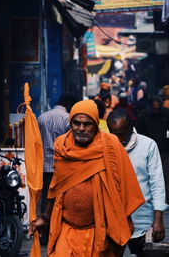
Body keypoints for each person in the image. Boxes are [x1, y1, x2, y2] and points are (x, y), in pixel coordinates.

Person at [31, 99, 145, 257]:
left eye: (87, 124)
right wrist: (45, 217)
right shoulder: (62, 146)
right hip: (67, 229)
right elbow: (56, 186)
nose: (81, 128)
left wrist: (120, 223)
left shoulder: (110, 145)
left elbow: (124, 188)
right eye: (76, 123)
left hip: (99, 230)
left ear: (96, 124)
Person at [107, 109, 167, 257]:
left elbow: (157, 183)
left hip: (143, 221)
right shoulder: (105, 146)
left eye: (121, 134)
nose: (118, 139)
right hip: (112, 222)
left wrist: (158, 219)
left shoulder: (148, 145)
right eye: (113, 134)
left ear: (131, 126)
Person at [37, 92, 79, 245]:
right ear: (69, 105)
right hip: (60, 166)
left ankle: (44, 235)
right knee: (60, 200)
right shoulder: (67, 120)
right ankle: (56, 233)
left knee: (45, 199)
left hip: (42, 165)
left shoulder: (42, 117)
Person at [136, 95, 169, 203]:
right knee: (150, 175)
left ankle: (165, 199)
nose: (156, 110)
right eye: (154, 108)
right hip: (148, 151)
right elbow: (138, 132)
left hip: (164, 150)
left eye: (158, 108)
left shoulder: (166, 113)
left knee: (165, 175)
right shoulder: (144, 115)